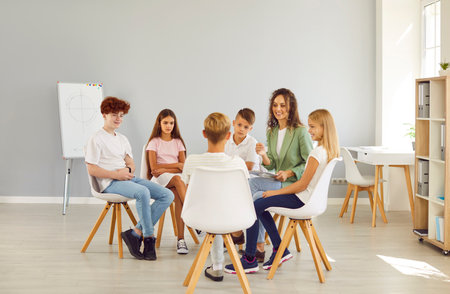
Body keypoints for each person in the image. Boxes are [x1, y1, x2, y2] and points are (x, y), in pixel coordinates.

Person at [224, 109, 340, 274]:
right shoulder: (327, 151)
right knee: (258, 203)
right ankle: (279, 249)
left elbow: (301, 185)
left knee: (254, 206)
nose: (309, 130)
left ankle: (250, 258)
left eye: (313, 127)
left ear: (324, 128)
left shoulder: (316, 153)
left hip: (301, 199)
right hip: (309, 200)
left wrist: (273, 193)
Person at [85, 97, 174, 261]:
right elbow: (91, 168)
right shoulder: (96, 138)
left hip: (126, 178)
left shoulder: (122, 139)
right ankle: (148, 239)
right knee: (142, 192)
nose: (118, 119)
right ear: (104, 114)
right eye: (114, 115)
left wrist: (127, 170)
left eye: (121, 115)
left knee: (167, 195)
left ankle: (135, 233)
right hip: (108, 183)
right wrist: (116, 175)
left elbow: (131, 163)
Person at [246, 88, 313, 262]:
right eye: (275, 105)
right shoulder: (272, 132)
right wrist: (263, 155)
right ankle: (265, 247)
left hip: (293, 184)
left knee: (252, 189)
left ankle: (254, 249)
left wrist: (290, 172)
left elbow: (309, 163)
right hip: (277, 179)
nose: (278, 109)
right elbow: (274, 164)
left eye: (283, 105)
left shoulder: (300, 132)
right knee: (253, 190)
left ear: (291, 107)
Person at [181, 112, 249, 282]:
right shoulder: (238, 163)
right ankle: (218, 265)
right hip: (232, 217)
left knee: (212, 211)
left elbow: (190, 195)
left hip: (201, 216)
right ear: (228, 135)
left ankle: (217, 266)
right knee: (219, 209)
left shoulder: (192, 161)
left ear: (204, 134)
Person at [146, 109, 189, 254]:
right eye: (165, 123)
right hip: (159, 180)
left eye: (171, 123)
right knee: (178, 179)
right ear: (159, 123)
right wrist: (176, 165)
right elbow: (154, 168)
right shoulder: (154, 142)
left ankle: (181, 240)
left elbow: (183, 166)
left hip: (173, 178)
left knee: (178, 194)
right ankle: (192, 214)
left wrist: (169, 168)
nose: (168, 126)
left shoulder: (178, 142)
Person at [224, 108, 259, 246]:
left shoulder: (252, 142)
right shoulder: (226, 140)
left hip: (248, 180)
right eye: (239, 125)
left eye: (245, 127)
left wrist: (230, 164)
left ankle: (236, 232)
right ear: (233, 123)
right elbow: (221, 160)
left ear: (250, 128)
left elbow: (249, 165)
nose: (241, 129)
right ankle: (233, 232)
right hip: (231, 178)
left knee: (231, 195)